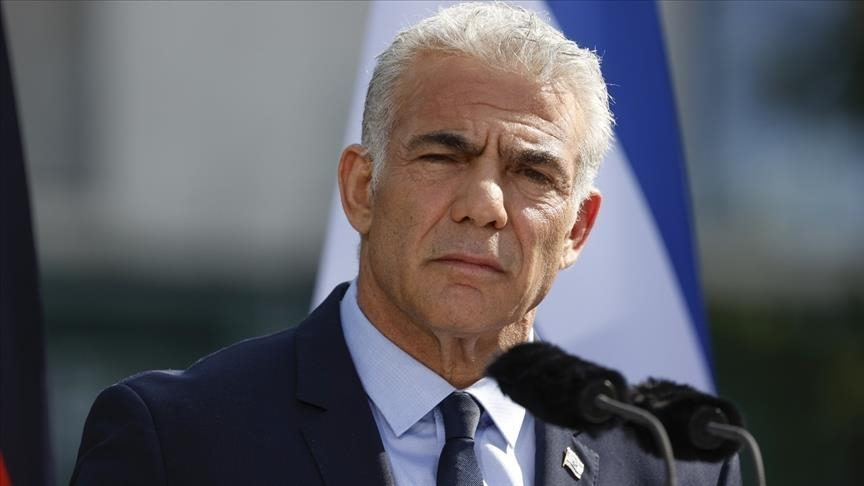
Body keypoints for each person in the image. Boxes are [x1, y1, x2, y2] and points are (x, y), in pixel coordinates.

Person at [71, 3, 740, 485]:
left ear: (578, 230)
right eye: (444, 157)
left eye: (532, 173)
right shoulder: (177, 441)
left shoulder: (678, 463)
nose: (484, 205)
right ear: (363, 188)